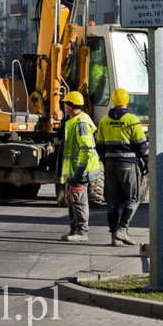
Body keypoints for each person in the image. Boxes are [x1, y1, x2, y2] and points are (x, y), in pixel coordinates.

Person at [96, 88, 150, 247]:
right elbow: (141, 145)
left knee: (112, 201)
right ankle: (122, 229)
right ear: (127, 101)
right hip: (128, 164)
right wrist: (147, 160)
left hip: (110, 164)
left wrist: (106, 160)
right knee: (132, 198)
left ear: (113, 100)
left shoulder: (105, 121)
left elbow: (99, 147)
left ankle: (115, 236)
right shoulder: (132, 120)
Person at [60, 91, 102, 243]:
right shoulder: (74, 121)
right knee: (72, 200)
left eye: (66, 103)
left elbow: (87, 148)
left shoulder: (81, 123)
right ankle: (74, 229)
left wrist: (79, 169)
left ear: (70, 106)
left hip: (81, 170)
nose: (64, 106)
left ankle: (82, 232)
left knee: (79, 200)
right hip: (74, 169)